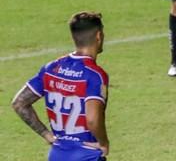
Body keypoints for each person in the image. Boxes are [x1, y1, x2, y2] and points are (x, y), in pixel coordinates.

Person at [12, 12, 110, 161]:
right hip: (87, 155)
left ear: (74, 37)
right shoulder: (95, 75)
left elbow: (19, 103)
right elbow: (92, 119)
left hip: (57, 155)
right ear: (98, 36)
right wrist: (103, 143)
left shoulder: (51, 68)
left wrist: (47, 135)